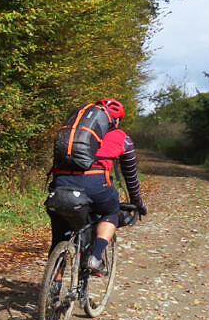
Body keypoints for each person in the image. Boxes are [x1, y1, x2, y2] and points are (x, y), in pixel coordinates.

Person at [48, 97, 147, 274]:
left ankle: (54, 287)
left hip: (60, 184)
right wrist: (136, 201)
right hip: (95, 185)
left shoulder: (74, 133)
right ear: (116, 121)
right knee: (112, 211)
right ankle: (95, 256)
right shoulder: (121, 138)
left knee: (59, 235)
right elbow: (130, 175)